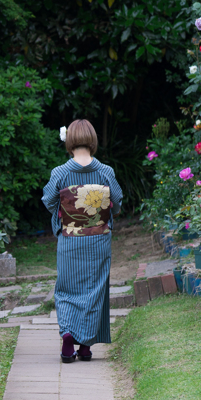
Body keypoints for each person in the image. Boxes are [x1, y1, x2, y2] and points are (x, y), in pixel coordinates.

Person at [41, 119, 122, 363]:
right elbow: (116, 203)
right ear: (92, 140)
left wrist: (64, 220)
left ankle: (68, 335)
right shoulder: (106, 171)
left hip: (70, 238)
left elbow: (48, 200)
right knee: (94, 290)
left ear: (69, 141)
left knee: (66, 288)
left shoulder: (60, 172)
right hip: (98, 240)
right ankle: (85, 346)